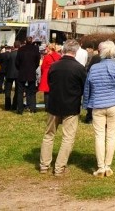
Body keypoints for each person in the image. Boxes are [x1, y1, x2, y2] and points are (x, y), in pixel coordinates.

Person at [83, 40, 115, 177]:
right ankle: (107, 165)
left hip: (97, 105)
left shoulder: (94, 68)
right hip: (114, 105)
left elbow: (88, 87)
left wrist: (86, 103)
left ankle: (100, 167)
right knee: (111, 136)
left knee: (99, 136)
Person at [39, 40, 87, 175]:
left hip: (53, 103)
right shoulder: (79, 68)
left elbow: (49, 82)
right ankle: (59, 167)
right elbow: (84, 87)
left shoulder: (54, 66)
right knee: (68, 137)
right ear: (76, 51)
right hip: (71, 105)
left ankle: (44, 165)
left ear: (64, 50)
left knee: (49, 135)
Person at [15, 37, 41, 114]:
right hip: (31, 72)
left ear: (25, 41)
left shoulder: (21, 49)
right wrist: (33, 68)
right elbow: (37, 61)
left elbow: (17, 62)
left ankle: (20, 109)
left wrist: (21, 68)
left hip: (22, 72)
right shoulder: (35, 49)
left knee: (20, 92)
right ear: (32, 41)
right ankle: (33, 108)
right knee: (32, 92)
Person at [1, 43, 18, 111]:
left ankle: (7, 106)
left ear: (14, 46)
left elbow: (5, 65)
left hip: (9, 74)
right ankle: (15, 105)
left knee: (7, 90)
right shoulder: (20, 54)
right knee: (17, 90)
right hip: (17, 74)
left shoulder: (9, 54)